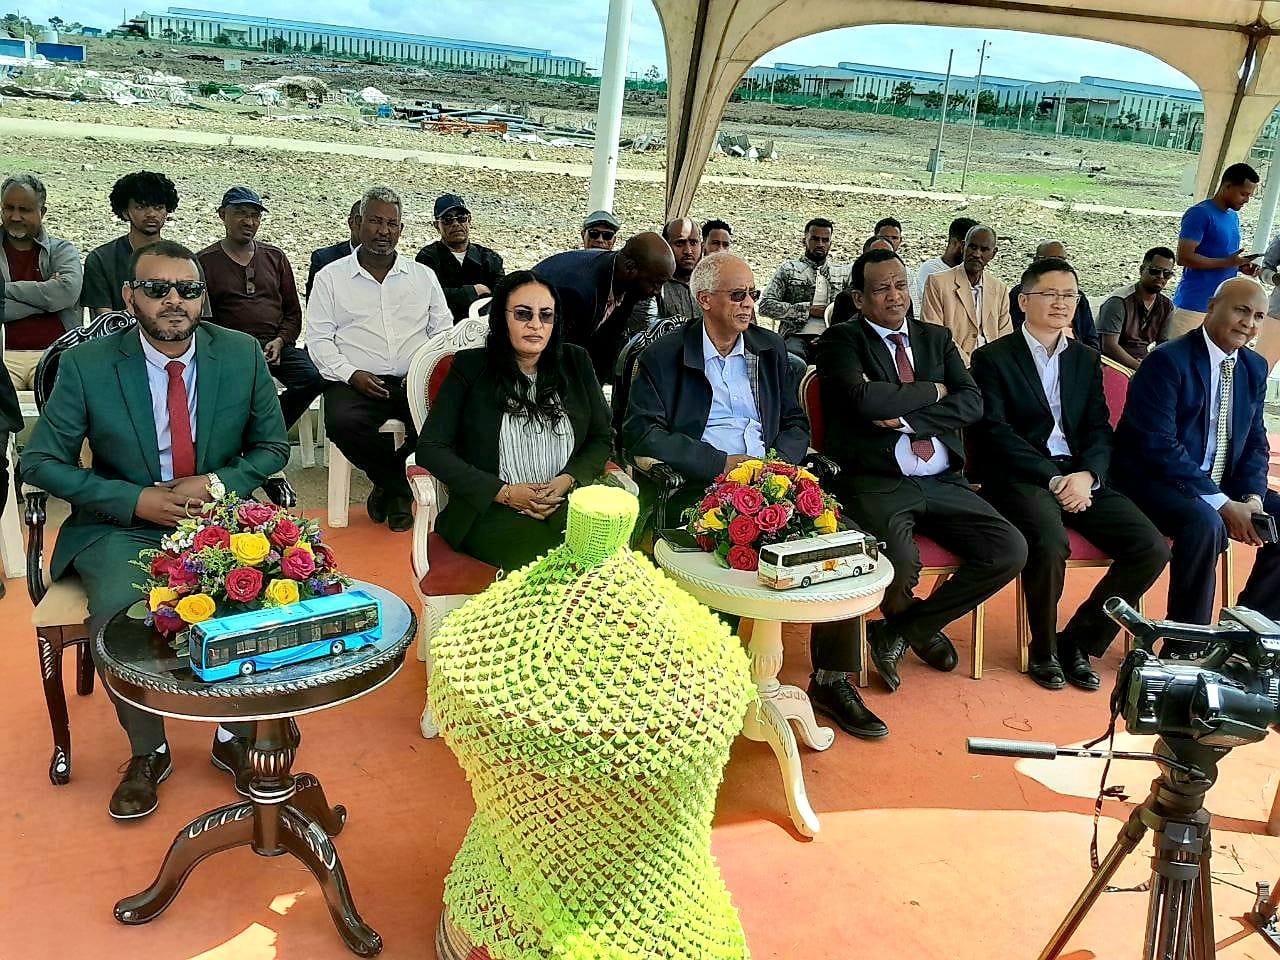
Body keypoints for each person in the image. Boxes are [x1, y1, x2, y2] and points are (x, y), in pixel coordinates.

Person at [20, 239, 289, 819]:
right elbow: (39, 461)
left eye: (187, 289)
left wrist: (216, 485)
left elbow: (272, 447)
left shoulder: (239, 353)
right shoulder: (90, 365)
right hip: (122, 525)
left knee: (261, 596)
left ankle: (232, 735)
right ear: (129, 296)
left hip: (217, 519)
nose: (174, 300)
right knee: (122, 609)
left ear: (202, 297)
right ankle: (149, 751)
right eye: (157, 288)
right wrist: (133, 499)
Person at [810, 249, 1026, 699]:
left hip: (943, 479)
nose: (895, 296)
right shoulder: (841, 340)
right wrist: (934, 389)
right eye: (881, 289)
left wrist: (910, 419)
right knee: (899, 562)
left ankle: (900, 631)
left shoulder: (935, 338)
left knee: (1009, 549)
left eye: (900, 285)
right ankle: (911, 626)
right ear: (859, 298)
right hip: (877, 480)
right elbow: (865, 401)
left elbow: (972, 402)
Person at [970, 257, 1169, 691]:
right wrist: (1052, 477)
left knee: (1150, 547)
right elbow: (994, 432)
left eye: (1070, 295)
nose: (1061, 303)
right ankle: (1042, 649)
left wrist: (1088, 474)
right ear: (1024, 301)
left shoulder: (1084, 358)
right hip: (1021, 475)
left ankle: (1076, 641)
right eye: (1050, 293)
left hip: (1078, 474)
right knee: (1049, 541)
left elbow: (1098, 427)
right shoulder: (992, 358)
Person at [416, 271, 612, 571]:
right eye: (523, 314)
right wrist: (504, 493)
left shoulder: (576, 362)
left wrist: (568, 479)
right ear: (501, 318)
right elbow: (431, 448)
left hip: (564, 501)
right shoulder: (471, 368)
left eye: (546, 315)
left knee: (602, 553)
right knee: (549, 563)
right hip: (489, 509)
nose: (535, 325)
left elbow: (601, 437)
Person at [1113, 276, 1280, 625]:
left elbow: (1255, 441)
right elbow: (1158, 445)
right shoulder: (1167, 361)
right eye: (1241, 310)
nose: (1249, 323)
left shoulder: (1253, 367)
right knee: (1205, 523)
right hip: (1156, 481)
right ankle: (1186, 641)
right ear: (1212, 307)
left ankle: (1248, 629)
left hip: (1222, 482)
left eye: (1259, 316)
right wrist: (1222, 503)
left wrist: (1252, 499)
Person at [622, 251, 810, 525]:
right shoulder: (664, 355)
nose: (749, 304)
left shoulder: (769, 348)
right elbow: (642, 432)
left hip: (773, 483)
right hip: (700, 487)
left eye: (753, 294)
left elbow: (795, 422)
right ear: (705, 299)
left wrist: (777, 465)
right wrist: (720, 463)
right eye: (738, 295)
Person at [307, 186, 452, 533]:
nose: (383, 231)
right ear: (358, 223)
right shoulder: (331, 278)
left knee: (445, 423)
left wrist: (424, 371)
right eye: (375, 221)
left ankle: (389, 489)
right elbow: (318, 339)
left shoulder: (422, 276)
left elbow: (443, 331)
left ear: (401, 229)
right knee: (341, 423)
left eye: (391, 224)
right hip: (355, 381)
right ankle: (400, 490)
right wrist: (350, 373)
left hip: (413, 379)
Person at [197, 186, 324, 428]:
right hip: (230, 349)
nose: (249, 221)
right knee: (233, 390)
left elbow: (293, 313)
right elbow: (202, 321)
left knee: (312, 377)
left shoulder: (275, 257)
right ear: (222, 215)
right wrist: (237, 347)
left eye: (255, 215)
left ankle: (269, 429)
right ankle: (246, 435)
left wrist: (280, 341)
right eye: (241, 213)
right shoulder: (204, 262)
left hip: (274, 346)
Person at [534, 232, 675, 383]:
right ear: (629, 268)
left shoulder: (627, 280)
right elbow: (553, 357)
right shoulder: (580, 293)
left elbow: (607, 344)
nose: (657, 292)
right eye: (655, 283)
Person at [0, 173, 83, 390]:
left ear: (42, 212)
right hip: (4, 356)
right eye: (9, 208)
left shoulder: (62, 251)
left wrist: (3, 290)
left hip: (57, 353)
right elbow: (57, 298)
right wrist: (48, 300)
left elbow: (66, 294)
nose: (15, 217)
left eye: (24, 210)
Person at [1168, 162, 1261, 340]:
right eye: (1243, 194)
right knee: (1178, 354)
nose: (1246, 200)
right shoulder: (1200, 213)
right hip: (1193, 305)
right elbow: (1184, 257)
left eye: (1249, 195)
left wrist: (1239, 266)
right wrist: (1227, 263)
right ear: (1227, 186)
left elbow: (1223, 256)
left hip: (1221, 307)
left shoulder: (1233, 216)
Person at [81, 171, 187, 317]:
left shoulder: (183, 259)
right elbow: (104, 317)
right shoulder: (102, 259)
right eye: (141, 207)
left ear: (167, 211)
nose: (151, 214)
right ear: (125, 212)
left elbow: (193, 311)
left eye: (158, 207)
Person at [759, 217, 850, 363]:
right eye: (815, 239)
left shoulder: (841, 274)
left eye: (825, 240)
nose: (820, 244)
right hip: (795, 336)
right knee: (794, 362)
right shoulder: (789, 269)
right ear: (804, 240)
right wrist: (808, 310)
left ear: (830, 243)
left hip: (832, 338)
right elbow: (765, 306)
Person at [921, 223, 1012, 365]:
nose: (977, 254)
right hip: (952, 365)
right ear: (963, 246)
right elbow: (934, 333)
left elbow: (1005, 337)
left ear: (993, 253)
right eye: (972, 247)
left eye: (984, 249)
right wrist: (970, 366)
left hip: (992, 366)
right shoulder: (937, 283)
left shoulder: (999, 289)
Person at [415, 193, 505, 322]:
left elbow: (503, 297)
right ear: (436, 225)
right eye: (448, 219)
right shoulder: (427, 258)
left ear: (469, 220)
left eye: (461, 218)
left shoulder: (490, 259)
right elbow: (425, 297)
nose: (456, 224)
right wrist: (472, 291)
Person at [1008, 240, 1098, 348]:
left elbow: (1091, 337)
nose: (1060, 305)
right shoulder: (1022, 293)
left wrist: (1087, 355)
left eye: (1061, 260)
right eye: (1049, 295)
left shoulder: (1077, 296)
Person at [1098, 247, 1176, 371]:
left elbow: (1163, 344)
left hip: (1142, 363)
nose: (1161, 277)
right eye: (1155, 271)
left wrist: (1152, 363)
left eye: (1167, 274)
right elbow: (1108, 346)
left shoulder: (1166, 306)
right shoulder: (1119, 301)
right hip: (1110, 363)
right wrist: (1139, 366)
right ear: (1141, 270)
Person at [910, 216, 978, 307]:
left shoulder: (973, 273)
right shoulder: (932, 270)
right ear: (955, 243)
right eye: (972, 247)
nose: (976, 254)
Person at [305, 200, 361, 301]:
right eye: (372, 222)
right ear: (351, 223)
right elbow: (314, 305)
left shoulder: (390, 263)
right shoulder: (324, 260)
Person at [656, 216, 703, 320]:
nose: (688, 251)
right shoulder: (655, 286)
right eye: (679, 243)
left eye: (693, 243)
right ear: (666, 246)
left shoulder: (711, 285)